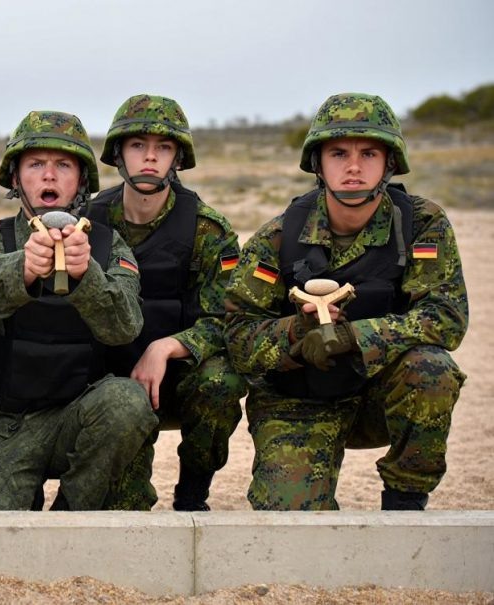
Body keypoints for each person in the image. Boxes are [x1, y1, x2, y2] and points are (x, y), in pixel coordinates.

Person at [224, 92, 468, 511]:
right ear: (318, 164)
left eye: (368, 153)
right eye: (338, 153)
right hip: (298, 399)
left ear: (389, 163)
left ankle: (405, 503)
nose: (353, 167)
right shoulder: (278, 237)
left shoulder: (420, 224)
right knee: (290, 521)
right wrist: (295, 333)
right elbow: (239, 336)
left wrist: (356, 337)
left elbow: (446, 317)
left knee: (432, 369)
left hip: (379, 394)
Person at [0, 110, 158, 511]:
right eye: (36, 164)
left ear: (81, 180)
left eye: (63, 166)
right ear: (16, 178)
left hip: (78, 418)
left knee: (127, 402)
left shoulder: (109, 246)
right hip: (5, 421)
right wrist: (25, 267)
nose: (49, 176)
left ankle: (72, 513)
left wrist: (86, 276)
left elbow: (126, 326)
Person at [85, 94, 246, 511]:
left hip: (180, 375)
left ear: (177, 158)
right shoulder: (88, 221)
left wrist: (167, 347)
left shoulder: (207, 230)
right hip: (109, 377)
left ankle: (192, 494)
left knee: (221, 381)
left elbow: (230, 319)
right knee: (124, 507)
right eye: (138, 145)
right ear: (118, 154)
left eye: (163, 147)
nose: (150, 157)